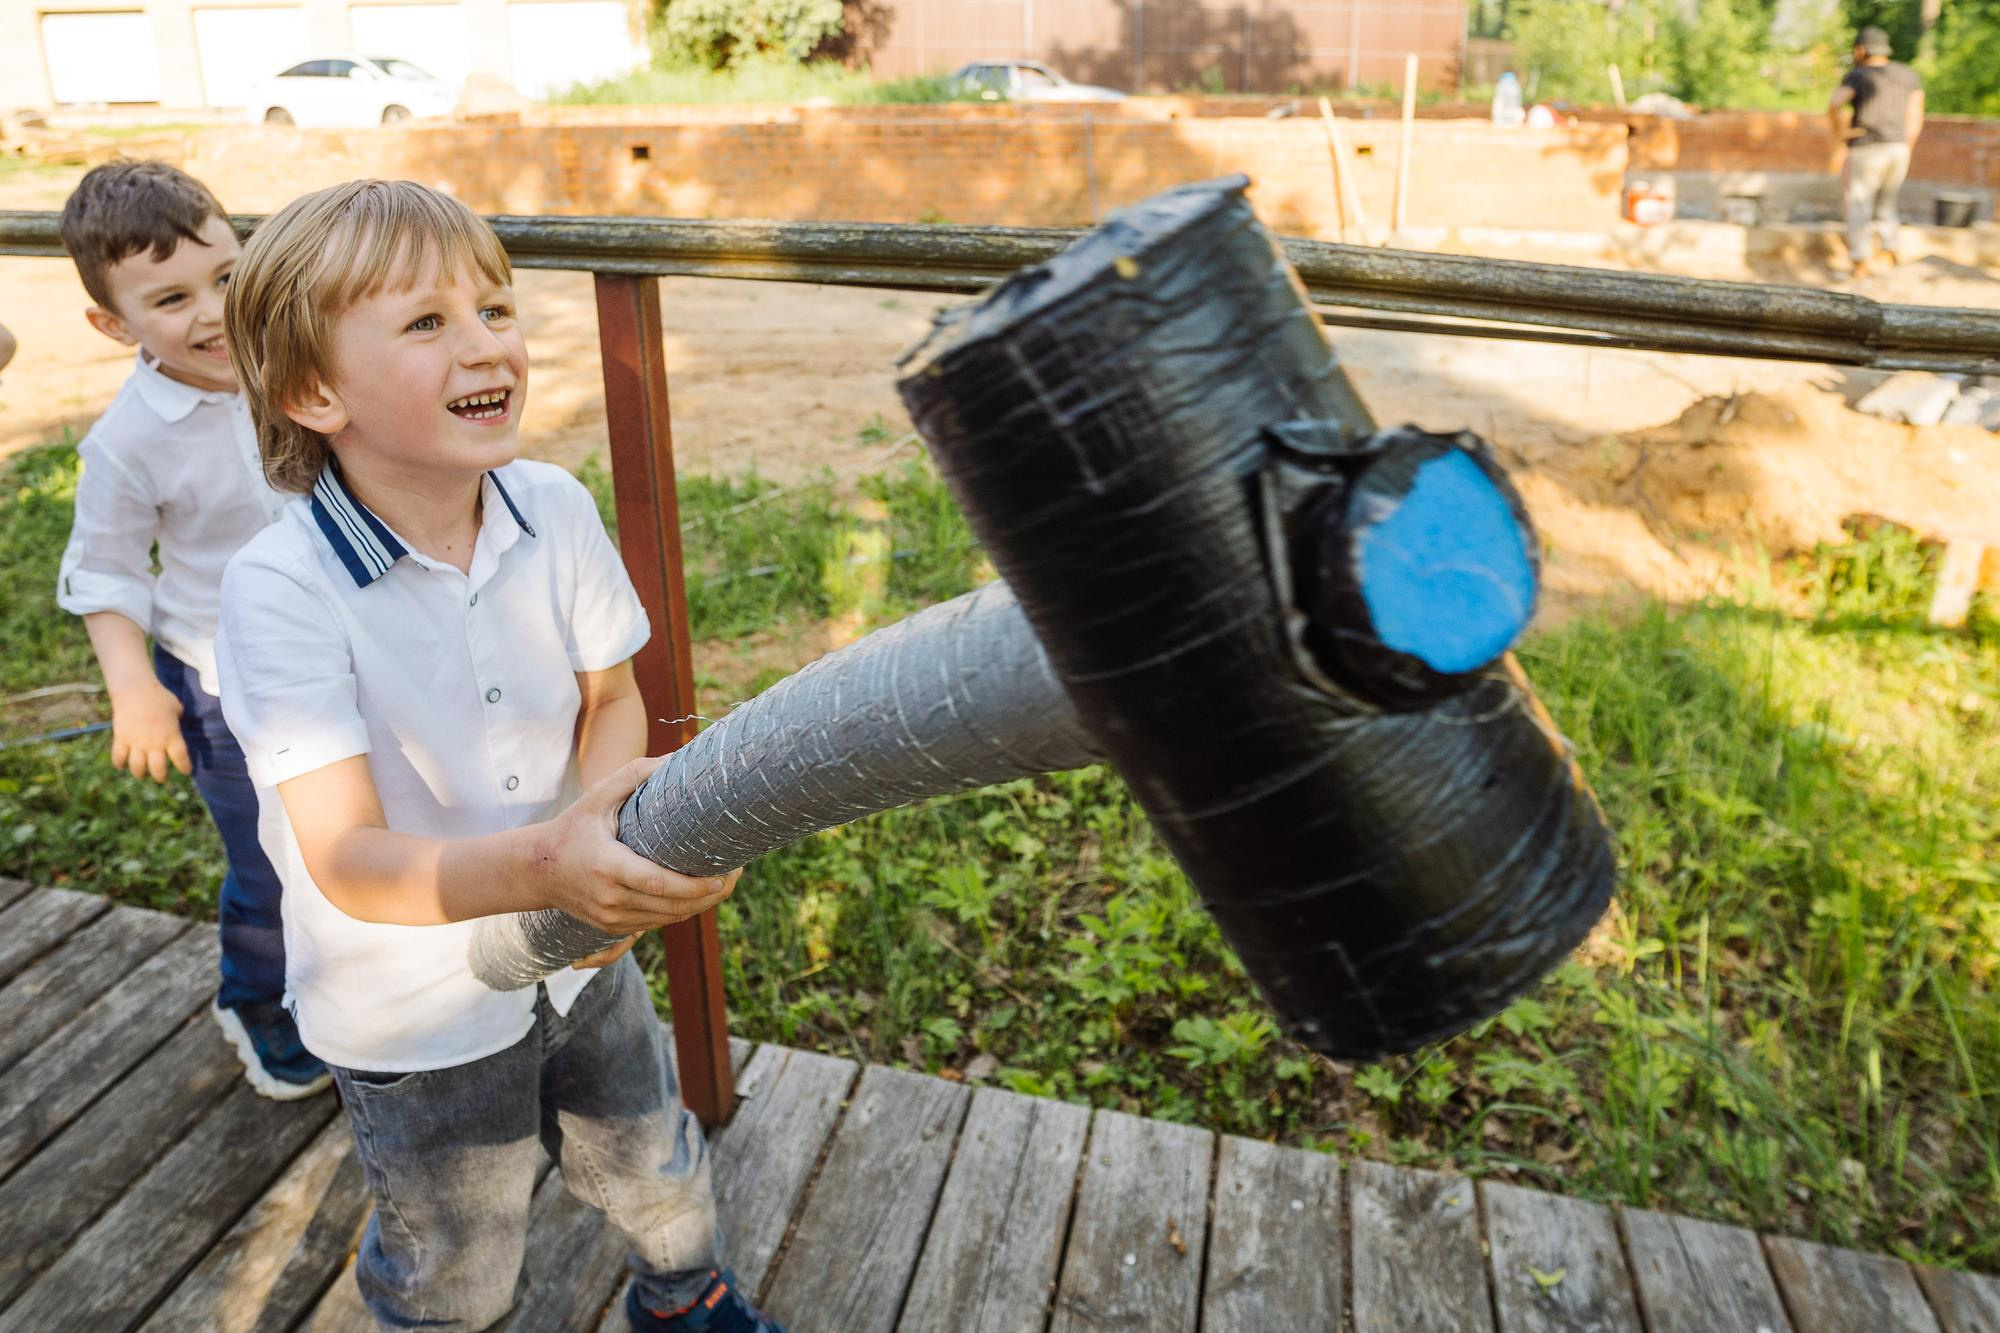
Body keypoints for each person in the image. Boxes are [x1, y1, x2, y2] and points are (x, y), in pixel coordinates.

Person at [216, 178, 785, 1333]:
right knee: (454, 1251)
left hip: (583, 959)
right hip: (414, 1010)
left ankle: (683, 1296)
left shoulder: (553, 508)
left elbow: (611, 698)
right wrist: (555, 867)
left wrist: (610, 826)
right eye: (427, 323)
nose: (488, 345)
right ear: (312, 390)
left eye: (495, 307)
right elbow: (349, 858)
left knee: (651, 1160)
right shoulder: (277, 589)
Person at [54, 160, 327, 1099]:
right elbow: (107, 571)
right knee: (268, 858)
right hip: (218, 681)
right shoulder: (128, 441)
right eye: (172, 298)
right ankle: (255, 997)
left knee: (346, 833)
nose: (214, 312)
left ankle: (352, 981)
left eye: (226, 276)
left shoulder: (292, 366)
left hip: (336, 651)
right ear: (113, 325)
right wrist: (135, 689)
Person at [1827, 25, 1924, 279]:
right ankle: (1893, 252)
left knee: (1859, 204)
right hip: (1898, 148)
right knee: (1887, 203)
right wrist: (1907, 146)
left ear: (1861, 50)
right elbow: (1915, 116)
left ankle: (1860, 262)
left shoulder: (1858, 76)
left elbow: (1835, 103)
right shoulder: (1908, 75)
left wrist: (1841, 133)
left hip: (1868, 147)